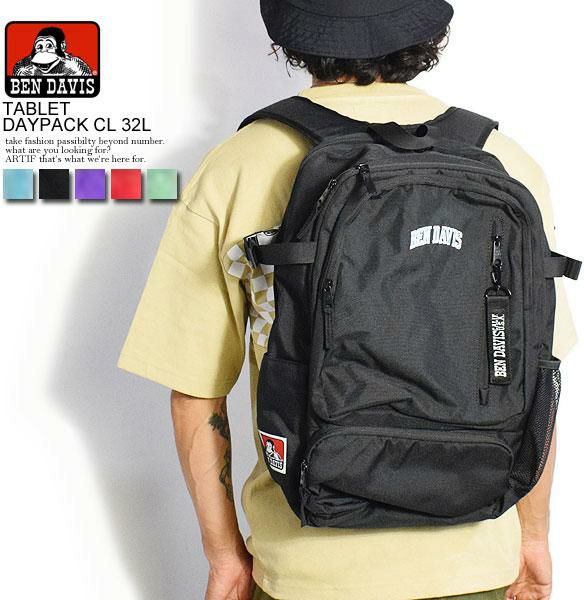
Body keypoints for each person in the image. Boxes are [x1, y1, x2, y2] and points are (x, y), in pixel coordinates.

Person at [118, 1, 576, 598]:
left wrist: (225, 555)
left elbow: (195, 392)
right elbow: (536, 374)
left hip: (307, 570)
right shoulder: (507, 163)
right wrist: (532, 537)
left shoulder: (242, 164)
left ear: (295, 34)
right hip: (478, 561)